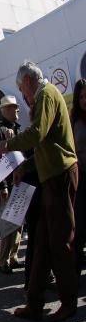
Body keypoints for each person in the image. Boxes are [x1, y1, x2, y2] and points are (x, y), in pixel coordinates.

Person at [0, 61, 78, 322]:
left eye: (22, 89)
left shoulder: (46, 94)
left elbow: (38, 134)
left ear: (29, 82)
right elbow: (46, 144)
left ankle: (68, 303)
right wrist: (27, 165)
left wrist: (8, 144)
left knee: (60, 241)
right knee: (42, 241)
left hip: (59, 176)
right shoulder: (46, 95)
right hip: (50, 176)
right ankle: (34, 303)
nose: (23, 95)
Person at [0, 95, 22, 272]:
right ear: (5, 110)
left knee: (18, 223)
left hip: (19, 182)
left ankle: (13, 256)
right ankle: (3, 261)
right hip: (8, 184)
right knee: (7, 225)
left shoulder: (16, 128)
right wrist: (3, 186)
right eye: (13, 107)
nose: (17, 109)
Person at [72, 78, 86, 270]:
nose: (85, 100)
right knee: (81, 222)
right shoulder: (74, 119)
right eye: (82, 97)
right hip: (81, 176)